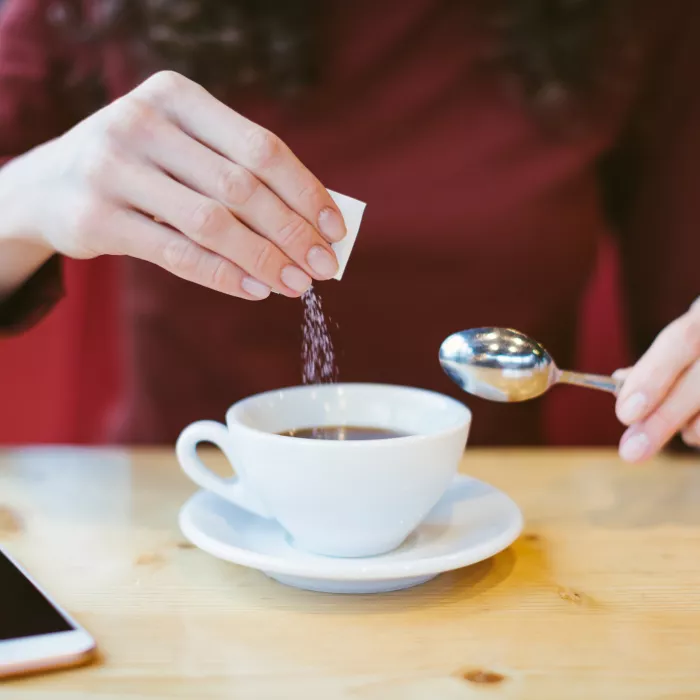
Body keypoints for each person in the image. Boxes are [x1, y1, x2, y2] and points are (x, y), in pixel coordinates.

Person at [0, 0, 697, 461]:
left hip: (496, 530)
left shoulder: (637, 18)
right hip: (176, 520)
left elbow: (678, 323)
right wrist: (31, 192)